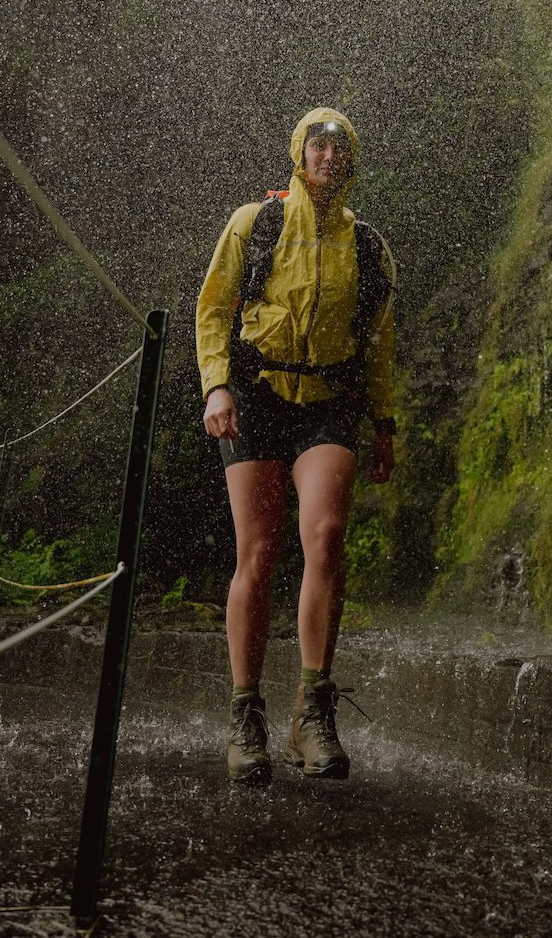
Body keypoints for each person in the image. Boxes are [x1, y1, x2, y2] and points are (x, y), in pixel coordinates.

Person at [196, 106, 396, 784]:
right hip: (254, 395)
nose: (330, 157)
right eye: (320, 146)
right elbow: (214, 307)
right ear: (299, 153)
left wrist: (385, 423)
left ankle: (313, 710)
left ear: (353, 160)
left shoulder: (367, 246)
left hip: (330, 404)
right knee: (257, 551)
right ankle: (245, 713)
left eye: (342, 148)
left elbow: (379, 343)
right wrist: (216, 386)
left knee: (328, 534)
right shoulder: (256, 223)